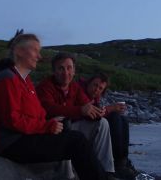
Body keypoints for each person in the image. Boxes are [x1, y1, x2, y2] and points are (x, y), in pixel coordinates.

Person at [0, 33, 107, 180]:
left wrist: (50, 122)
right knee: (76, 141)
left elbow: (39, 113)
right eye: (35, 51)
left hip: (27, 136)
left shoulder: (26, 81)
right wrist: (46, 127)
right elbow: (12, 121)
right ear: (19, 51)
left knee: (66, 128)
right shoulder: (7, 79)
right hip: (13, 143)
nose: (39, 57)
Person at [36, 52, 118, 180]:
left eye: (69, 68)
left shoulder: (74, 87)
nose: (66, 72)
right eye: (61, 68)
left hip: (72, 127)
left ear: (74, 70)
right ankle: (69, 175)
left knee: (102, 123)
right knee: (65, 123)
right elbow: (50, 109)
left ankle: (106, 171)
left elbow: (86, 104)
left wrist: (97, 113)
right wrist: (80, 110)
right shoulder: (45, 87)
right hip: (52, 130)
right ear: (54, 71)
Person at [79, 73, 139, 180]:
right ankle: (117, 164)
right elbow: (92, 114)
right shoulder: (80, 91)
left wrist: (111, 110)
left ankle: (123, 160)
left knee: (123, 120)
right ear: (89, 83)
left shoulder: (93, 97)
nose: (96, 89)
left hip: (87, 123)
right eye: (95, 85)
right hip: (80, 125)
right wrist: (110, 109)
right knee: (113, 118)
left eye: (100, 88)